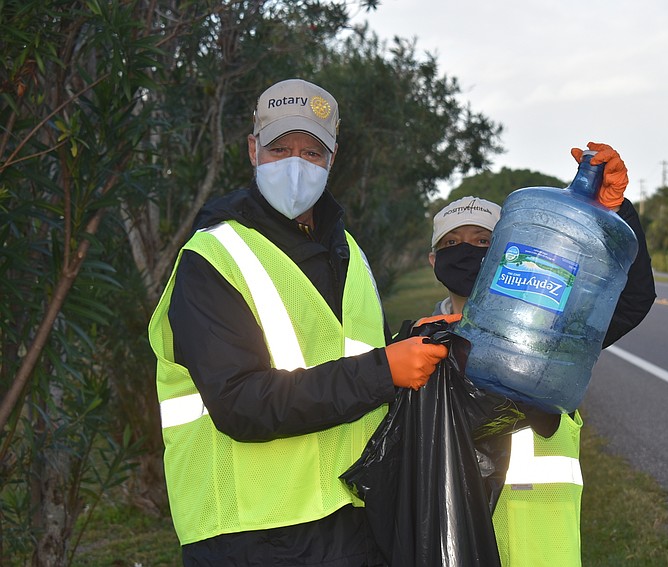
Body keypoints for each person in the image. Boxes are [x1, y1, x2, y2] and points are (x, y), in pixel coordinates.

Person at [148, 78, 451, 566]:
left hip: (350, 518)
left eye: (311, 152)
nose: (295, 165)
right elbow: (240, 403)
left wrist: (411, 344)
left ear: (332, 158)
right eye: (279, 149)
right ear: (253, 150)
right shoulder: (213, 257)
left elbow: (343, 353)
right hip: (250, 534)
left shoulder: (347, 250)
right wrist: (385, 370)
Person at [424, 143, 656, 566]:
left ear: (506, 247)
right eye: (452, 242)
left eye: (482, 240)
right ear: (433, 259)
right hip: (452, 544)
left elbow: (633, 299)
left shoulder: (553, 335)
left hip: (539, 549)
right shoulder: (414, 342)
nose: (466, 251)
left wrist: (615, 213)